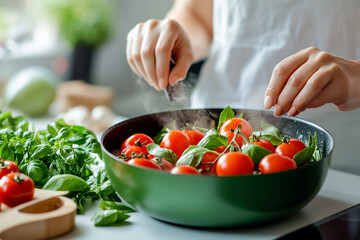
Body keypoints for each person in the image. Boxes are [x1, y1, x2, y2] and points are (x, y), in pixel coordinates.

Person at [126, 0, 360, 173]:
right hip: (207, 146)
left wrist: (355, 77)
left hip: (342, 165)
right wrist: (176, 34)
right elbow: (198, 14)